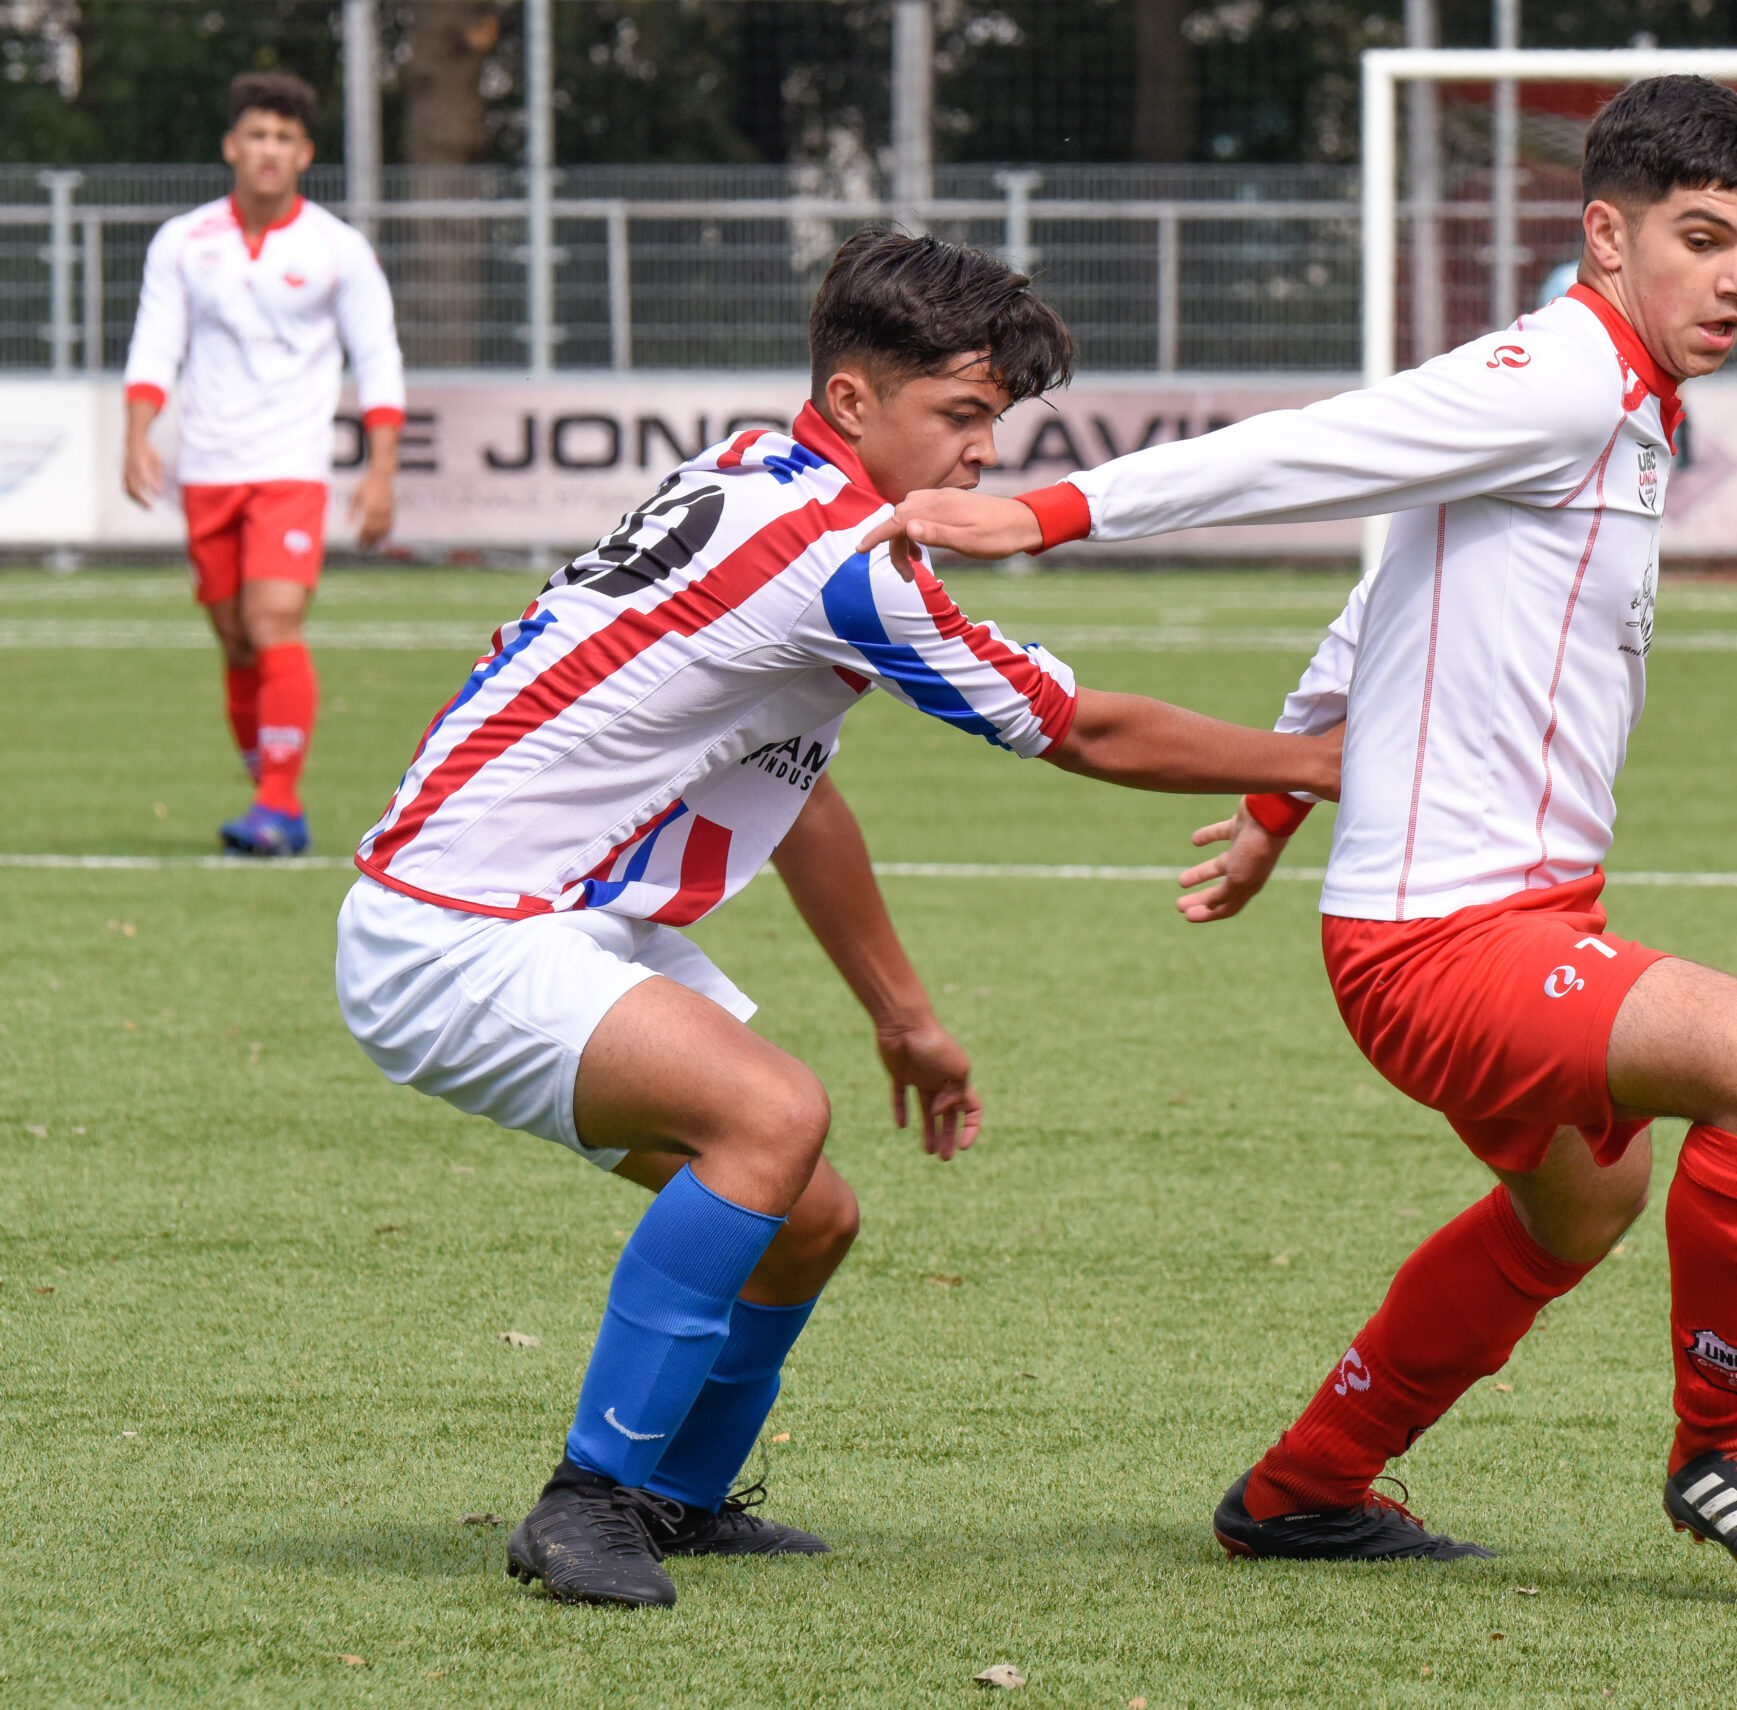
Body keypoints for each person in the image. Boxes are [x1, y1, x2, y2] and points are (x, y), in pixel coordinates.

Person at [863, 79, 1737, 1584]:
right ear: (1608, 237)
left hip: (1518, 916)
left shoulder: (1619, 401)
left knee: (1584, 1201)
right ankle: (1724, 1444)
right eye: (1701, 239)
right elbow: (1310, 446)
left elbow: (1383, 595)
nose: (1736, 280)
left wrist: (1278, 803)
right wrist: (1045, 517)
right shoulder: (1561, 378)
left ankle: (1305, 1487)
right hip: (1442, 944)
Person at [335, 230, 1341, 1608]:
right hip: (455, 922)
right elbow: (1081, 728)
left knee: (808, 1215)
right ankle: (586, 1502)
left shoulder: (758, 469)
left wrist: (904, 1016)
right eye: (963, 412)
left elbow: (796, 793)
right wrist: (1326, 761)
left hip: (537, 913)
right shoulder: (836, 559)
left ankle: (677, 1496)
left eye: (996, 417)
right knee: (770, 1116)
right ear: (855, 399)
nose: (985, 451)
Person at [122, 71, 405, 858]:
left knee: (271, 620)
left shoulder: (337, 249)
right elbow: (156, 343)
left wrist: (381, 471)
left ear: (305, 154)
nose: (269, 150)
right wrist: (137, 434)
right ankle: (272, 793)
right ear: (232, 147)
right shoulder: (184, 242)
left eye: (285, 137)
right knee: (235, 638)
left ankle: (276, 805)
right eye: (257, 135)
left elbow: (377, 358)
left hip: (290, 467)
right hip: (206, 466)